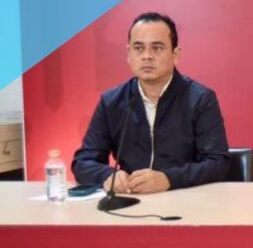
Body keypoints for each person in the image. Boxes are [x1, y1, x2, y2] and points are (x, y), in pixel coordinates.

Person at [72, 12, 229, 194]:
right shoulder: (111, 101)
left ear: (175, 54)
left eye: (157, 48)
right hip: (131, 200)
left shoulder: (200, 99)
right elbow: (83, 162)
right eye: (138, 48)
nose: (147, 56)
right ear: (129, 54)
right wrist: (109, 175)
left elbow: (218, 163)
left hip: (183, 198)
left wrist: (169, 179)